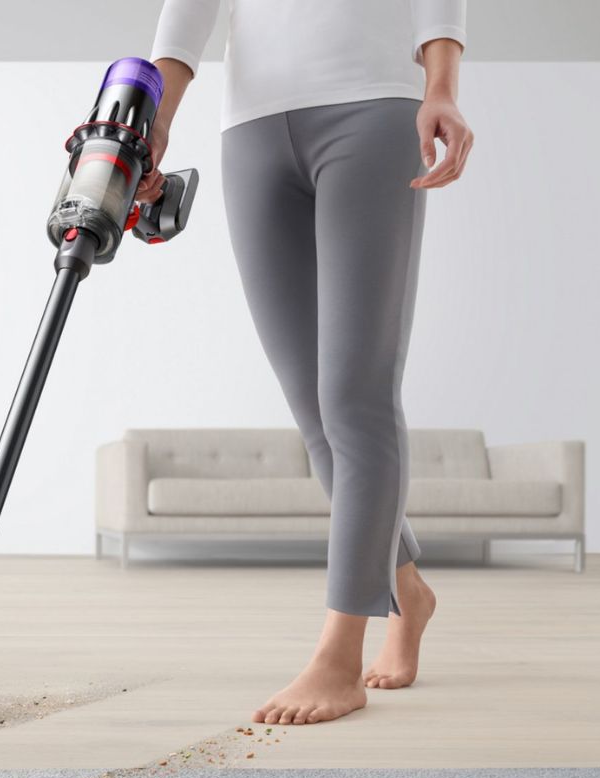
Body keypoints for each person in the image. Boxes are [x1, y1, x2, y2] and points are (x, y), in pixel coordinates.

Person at [140, 1, 473, 725]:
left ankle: (338, 655)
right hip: (251, 130)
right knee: (316, 413)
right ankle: (406, 589)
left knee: (357, 400)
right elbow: (188, 9)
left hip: (374, 111)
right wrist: (156, 117)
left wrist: (440, 85)